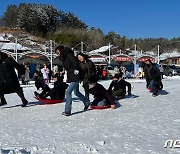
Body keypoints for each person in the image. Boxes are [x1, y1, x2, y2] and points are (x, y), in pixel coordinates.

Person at [55, 45, 90, 116]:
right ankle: (87, 102)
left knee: (68, 91)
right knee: (76, 92)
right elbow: (68, 67)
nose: (57, 53)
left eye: (58, 51)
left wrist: (76, 70)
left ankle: (67, 110)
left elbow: (75, 63)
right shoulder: (63, 58)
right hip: (72, 75)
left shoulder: (68, 55)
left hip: (76, 75)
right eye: (56, 52)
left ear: (61, 50)